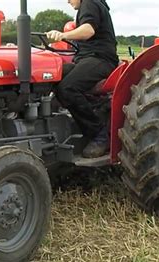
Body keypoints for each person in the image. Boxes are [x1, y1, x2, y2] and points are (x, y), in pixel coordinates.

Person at [46, 0, 119, 158]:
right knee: (52, 75)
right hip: (85, 59)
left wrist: (63, 35)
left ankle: (99, 135)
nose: (67, 1)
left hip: (100, 59)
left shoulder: (89, 2)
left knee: (67, 88)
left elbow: (88, 30)